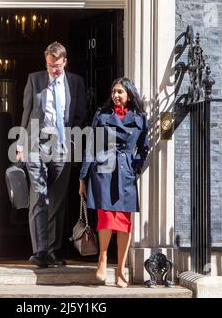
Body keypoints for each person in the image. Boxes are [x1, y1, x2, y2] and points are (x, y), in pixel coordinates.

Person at [16, 42, 86, 268]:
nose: (52, 70)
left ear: (64, 61)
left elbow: (79, 116)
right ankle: (40, 251)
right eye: (49, 65)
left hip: (62, 146)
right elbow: (26, 112)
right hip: (37, 143)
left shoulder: (75, 82)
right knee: (39, 197)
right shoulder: (34, 79)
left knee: (57, 200)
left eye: (56, 65)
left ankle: (53, 250)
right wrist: (21, 143)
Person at [78, 78, 149, 287]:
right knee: (107, 218)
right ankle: (102, 259)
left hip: (125, 173)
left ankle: (120, 270)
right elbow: (91, 147)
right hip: (103, 171)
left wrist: (135, 166)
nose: (115, 95)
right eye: (113, 91)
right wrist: (83, 177)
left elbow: (144, 148)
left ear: (129, 95)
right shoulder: (102, 116)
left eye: (120, 92)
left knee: (124, 222)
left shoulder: (140, 119)